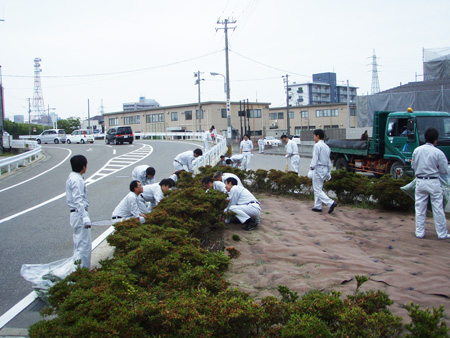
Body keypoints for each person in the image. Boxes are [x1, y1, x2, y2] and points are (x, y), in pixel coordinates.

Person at [412, 127, 450, 239]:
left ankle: (419, 232)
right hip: (433, 182)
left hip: (420, 181)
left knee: (419, 208)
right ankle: (442, 234)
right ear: (436, 140)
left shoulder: (417, 150)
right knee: (438, 208)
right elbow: (444, 170)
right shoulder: (438, 152)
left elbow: (413, 166)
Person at [66, 155, 92, 269]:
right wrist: (85, 217)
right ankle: (82, 271)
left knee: (79, 244)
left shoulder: (73, 177)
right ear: (83, 166)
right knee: (84, 246)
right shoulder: (77, 180)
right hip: (79, 214)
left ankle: (77, 269)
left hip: (76, 214)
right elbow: (78, 199)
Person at [310, 129, 337, 214]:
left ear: (317, 136)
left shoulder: (317, 146)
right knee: (319, 188)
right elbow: (329, 161)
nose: (314, 138)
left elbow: (315, 158)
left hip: (318, 168)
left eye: (314, 136)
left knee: (317, 189)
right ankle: (318, 206)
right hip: (325, 169)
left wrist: (311, 167)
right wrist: (329, 171)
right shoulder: (327, 147)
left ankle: (330, 203)